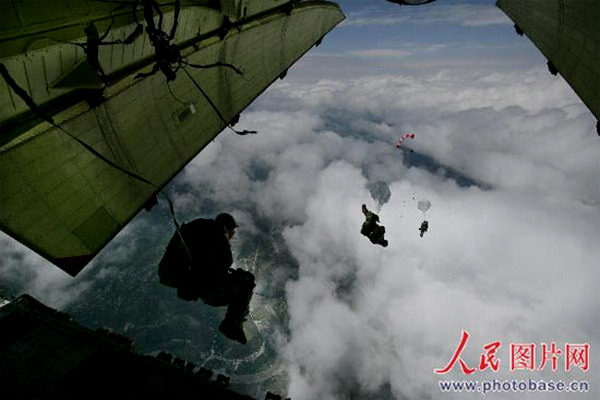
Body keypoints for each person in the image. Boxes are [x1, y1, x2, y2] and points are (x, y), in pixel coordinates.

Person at [158, 213, 255, 344]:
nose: (232, 236)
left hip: (168, 274)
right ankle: (232, 323)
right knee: (247, 281)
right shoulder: (218, 233)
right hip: (193, 280)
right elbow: (226, 261)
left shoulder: (197, 225)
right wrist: (237, 276)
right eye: (232, 232)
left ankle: (232, 322)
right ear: (226, 228)